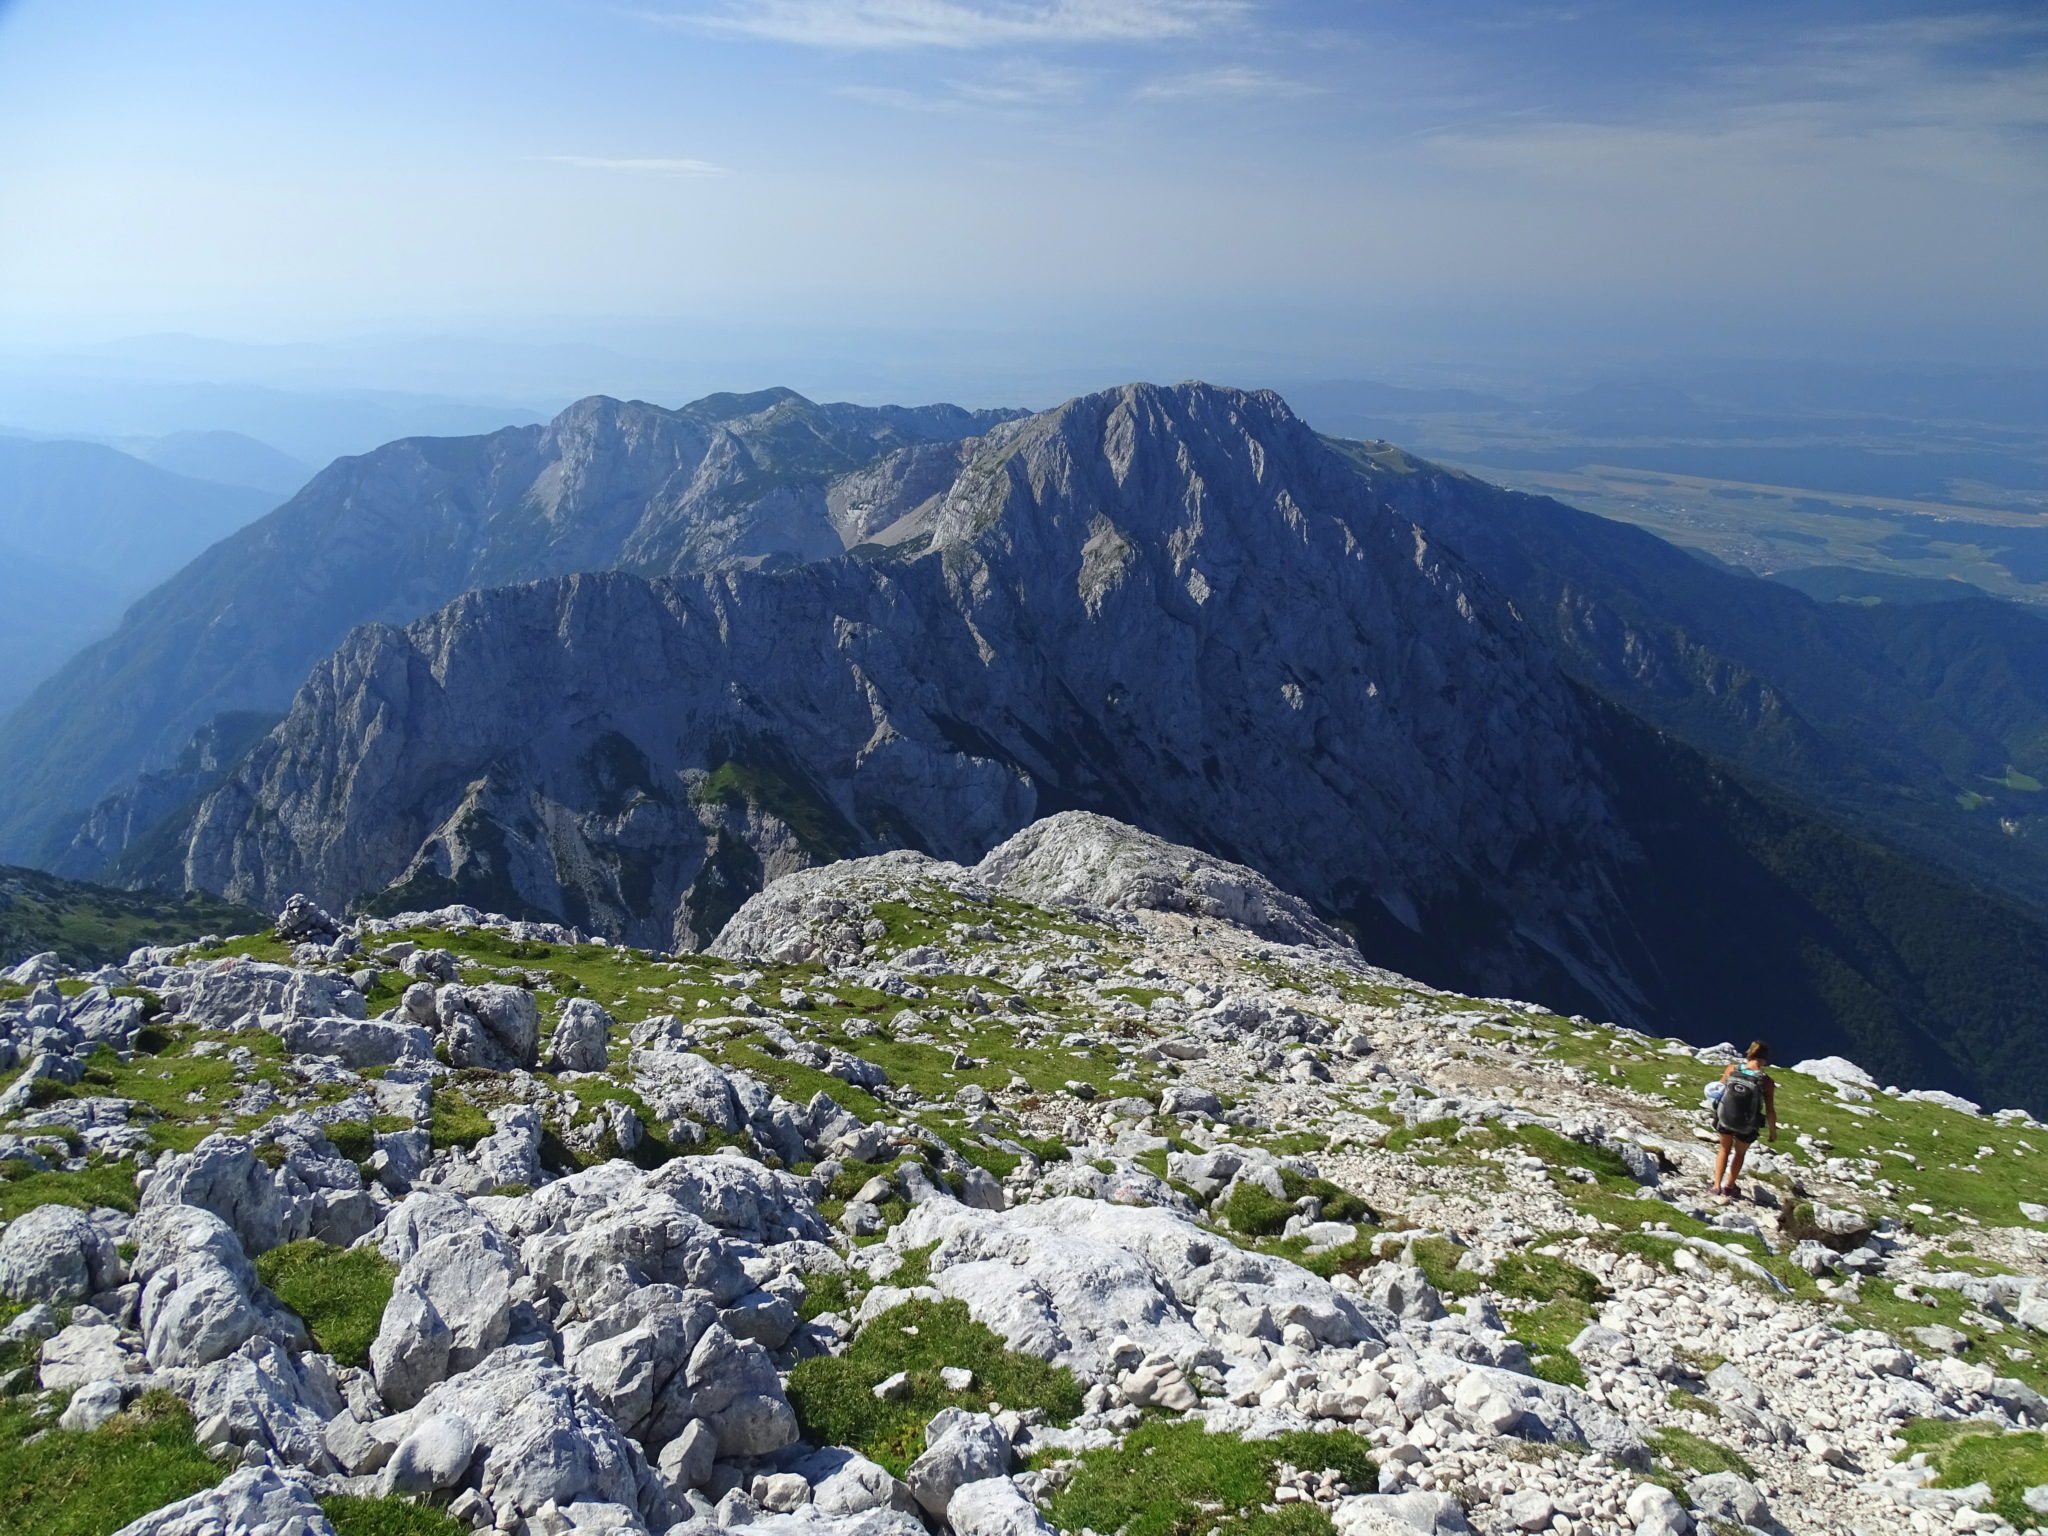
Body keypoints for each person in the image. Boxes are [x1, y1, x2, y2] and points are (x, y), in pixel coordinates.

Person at [1709, 1040, 1777, 1198]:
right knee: (1739, 1154)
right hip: (1747, 1124)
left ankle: (1716, 1186)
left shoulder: (1732, 1069)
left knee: (1724, 1149)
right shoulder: (1766, 1081)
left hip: (1725, 1118)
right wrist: (1773, 1131)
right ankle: (1729, 1186)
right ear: (1765, 1058)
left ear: (1749, 1054)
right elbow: (1770, 1110)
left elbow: (1718, 1089)